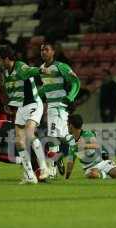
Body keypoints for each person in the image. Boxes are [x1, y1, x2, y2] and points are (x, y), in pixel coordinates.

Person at [0, 45, 49, 184]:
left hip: (34, 104)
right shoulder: (5, 74)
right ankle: (30, 176)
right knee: (19, 142)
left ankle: (44, 168)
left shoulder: (20, 67)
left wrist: (41, 69)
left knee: (30, 134)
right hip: (21, 107)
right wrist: (2, 86)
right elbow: (8, 98)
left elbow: (30, 70)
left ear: (7, 59)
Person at [39, 41, 80, 177]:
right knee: (59, 136)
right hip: (50, 106)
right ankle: (59, 159)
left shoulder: (61, 67)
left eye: (46, 49)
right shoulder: (41, 69)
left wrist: (70, 97)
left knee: (52, 136)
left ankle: (52, 169)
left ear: (53, 52)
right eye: (42, 50)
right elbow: (46, 87)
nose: (43, 52)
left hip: (59, 105)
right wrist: (35, 96)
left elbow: (75, 81)